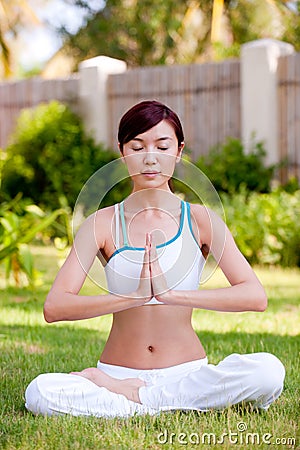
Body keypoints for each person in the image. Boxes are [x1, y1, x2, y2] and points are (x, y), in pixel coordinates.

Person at [25, 100, 285, 418]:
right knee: (40, 391)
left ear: (178, 151)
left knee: (268, 372)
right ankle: (157, 399)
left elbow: (254, 296)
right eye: (137, 147)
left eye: (162, 146)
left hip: (186, 373)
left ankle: (137, 400)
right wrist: (130, 297)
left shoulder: (200, 219)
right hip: (118, 372)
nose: (150, 158)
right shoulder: (102, 223)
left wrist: (171, 295)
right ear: (122, 153)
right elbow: (55, 307)